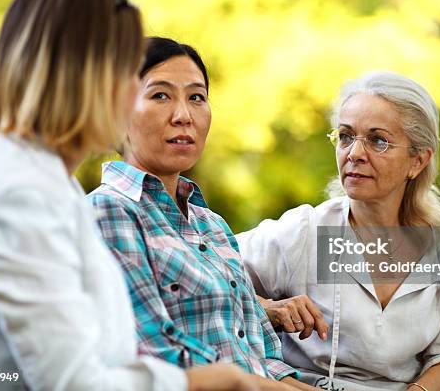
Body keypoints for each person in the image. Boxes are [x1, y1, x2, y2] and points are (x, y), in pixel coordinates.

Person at [0, 0, 257, 390]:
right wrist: (203, 382)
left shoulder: (47, 185)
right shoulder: (16, 194)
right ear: (77, 74)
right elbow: (72, 382)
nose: (135, 92)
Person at [87, 37, 315, 391]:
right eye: (160, 95)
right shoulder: (109, 212)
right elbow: (159, 357)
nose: (184, 116)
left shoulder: (212, 225)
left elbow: (264, 359)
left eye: (197, 97)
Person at [237, 71, 440, 391]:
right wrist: (270, 309)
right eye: (345, 136)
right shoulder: (304, 231)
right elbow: (206, 274)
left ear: (418, 161)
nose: (354, 153)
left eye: (378, 140)